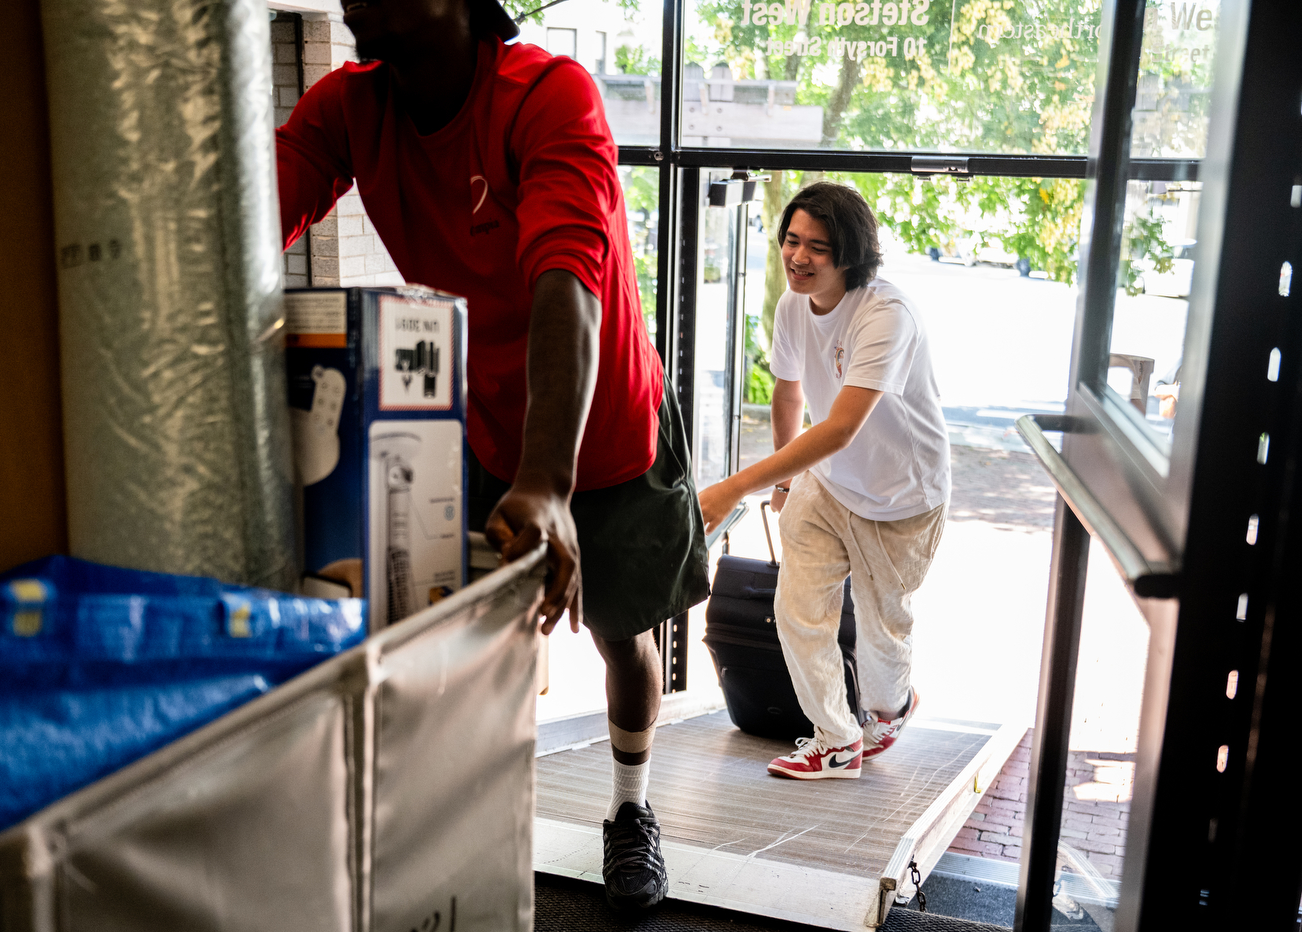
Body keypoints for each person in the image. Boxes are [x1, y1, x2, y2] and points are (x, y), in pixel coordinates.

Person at [275, 0, 709, 911]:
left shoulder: (549, 94)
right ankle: (461, 826)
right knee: (464, 641)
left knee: (619, 635)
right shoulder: (349, 108)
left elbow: (568, 283)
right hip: (478, 421)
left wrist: (549, 481)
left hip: (602, 428)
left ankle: (630, 811)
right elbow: (242, 221)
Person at [698, 182, 949, 780]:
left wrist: (736, 486)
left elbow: (839, 428)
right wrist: (784, 477)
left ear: (850, 255)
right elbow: (788, 389)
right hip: (828, 485)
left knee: (881, 630)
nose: (798, 257)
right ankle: (836, 739)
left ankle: (891, 708)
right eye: (791, 240)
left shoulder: (885, 315)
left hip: (900, 496)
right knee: (798, 609)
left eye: (817, 247)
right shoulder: (791, 306)